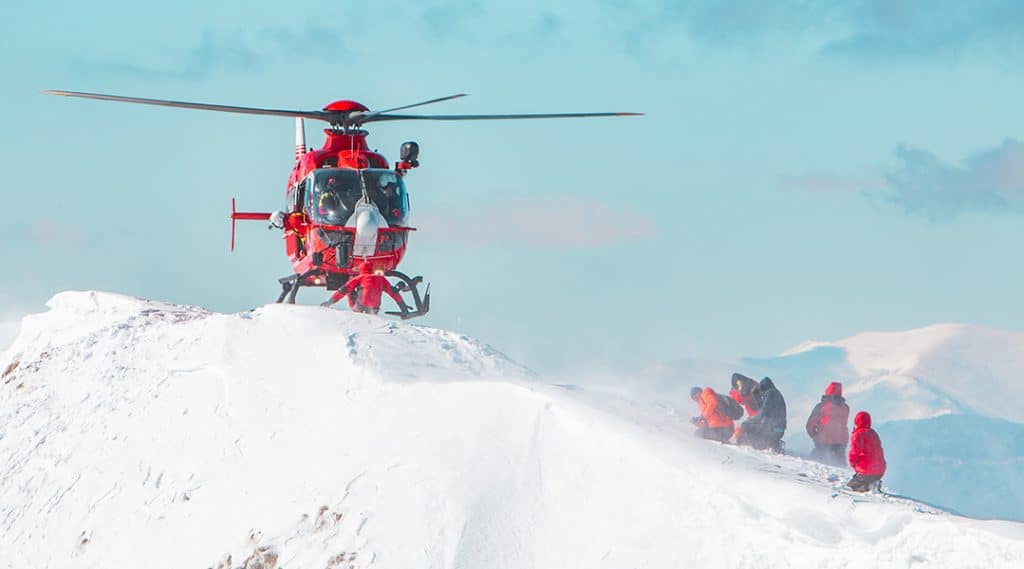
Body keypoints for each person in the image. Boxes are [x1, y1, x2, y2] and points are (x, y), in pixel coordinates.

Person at [321, 261, 409, 315]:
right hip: (374, 309)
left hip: (360, 307)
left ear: (361, 270)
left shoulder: (360, 277)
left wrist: (329, 302)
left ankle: (355, 309)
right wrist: (403, 308)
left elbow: (342, 290)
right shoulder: (381, 279)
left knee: (349, 290)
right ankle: (372, 312)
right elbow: (393, 293)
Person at [736, 377, 787, 452]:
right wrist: (756, 397)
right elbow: (764, 408)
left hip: (772, 429)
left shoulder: (770, 393)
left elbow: (763, 412)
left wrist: (752, 419)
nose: (761, 392)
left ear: (764, 387)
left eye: (761, 389)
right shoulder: (776, 393)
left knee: (746, 425)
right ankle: (773, 443)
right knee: (754, 427)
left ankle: (761, 445)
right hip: (779, 429)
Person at [805, 382, 850, 466]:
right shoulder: (845, 408)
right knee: (841, 469)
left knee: (813, 465)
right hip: (839, 445)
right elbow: (844, 427)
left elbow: (810, 425)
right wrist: (844, 443)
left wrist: (815, 436)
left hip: (822, 443)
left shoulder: (821, 406)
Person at [847, 411, 886, 492]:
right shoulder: (873, 433)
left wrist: (853, 463)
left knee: (850, 487)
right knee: (866, 478)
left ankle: (866, 487)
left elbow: (854, 451)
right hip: (880, 471)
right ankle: (874, 483)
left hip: (866, 471)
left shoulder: (858, 434)